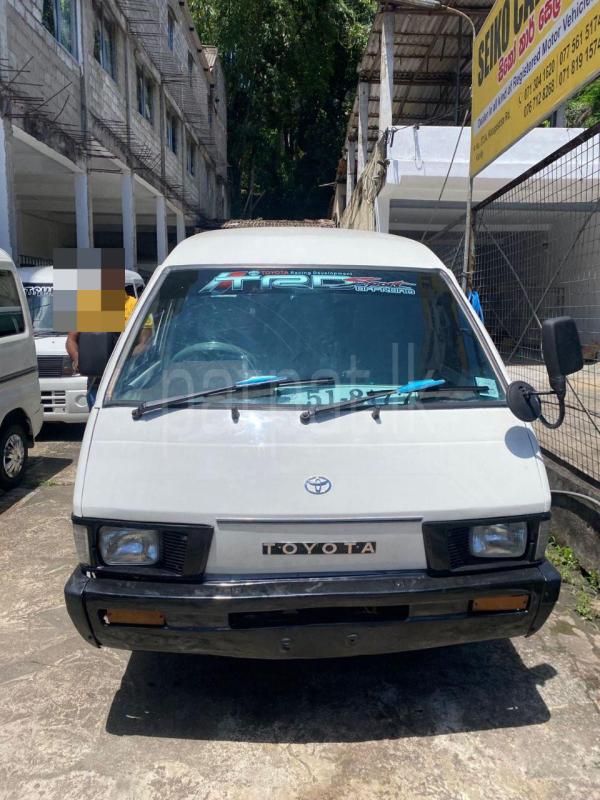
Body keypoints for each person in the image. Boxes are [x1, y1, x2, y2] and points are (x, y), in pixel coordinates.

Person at [66, 287, 152, 410]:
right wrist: (77, 358)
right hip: (96, 382)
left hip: (127, 382)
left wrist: (122, 362)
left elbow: (145, 343)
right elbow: (71, 340)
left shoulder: (137, 306)